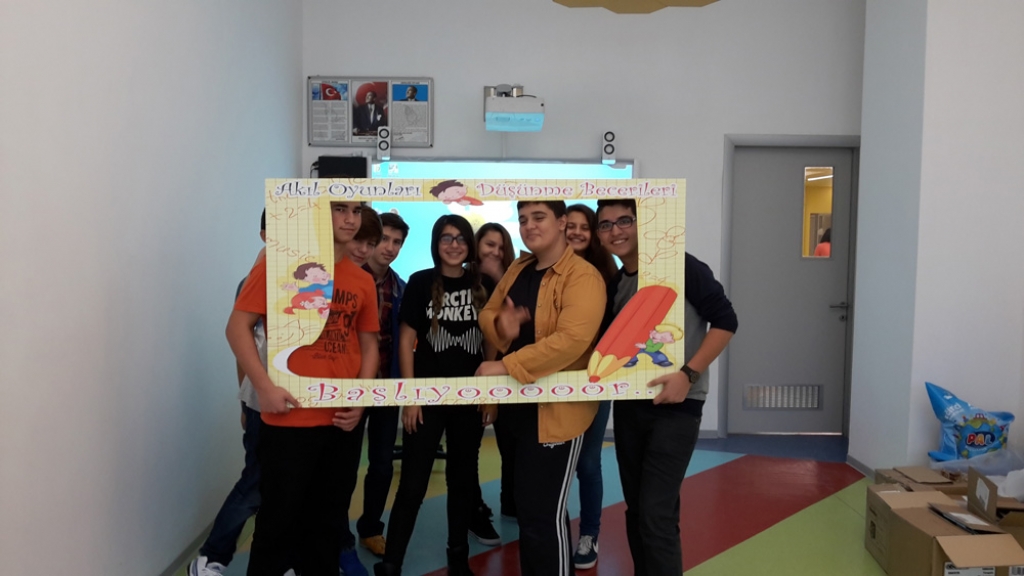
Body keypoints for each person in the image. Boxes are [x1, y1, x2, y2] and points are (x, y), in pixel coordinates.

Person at [228, 200, 379, 576]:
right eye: (340, 209)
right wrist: (262, 387)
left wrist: (360, 400)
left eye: (356, 210)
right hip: (289, 419)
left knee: (327, 526)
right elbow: (237, 328)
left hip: (341, 422)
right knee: (276, 525)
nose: (350, 219)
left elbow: (368, 344)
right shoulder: (279, 265)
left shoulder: (362, 279)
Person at [596, 199, 737, 576]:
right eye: (606, 225)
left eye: (624, 220)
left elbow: (726, 322)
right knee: (638, 510)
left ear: (642, 223)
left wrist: (688, 374)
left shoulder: (682, 267)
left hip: (678, 406)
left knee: (656, 514)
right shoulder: (617, 284)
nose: (616, 230)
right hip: (631, 406)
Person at [477, 201, 606, 576]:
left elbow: (572, 341)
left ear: (562, 222)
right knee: (528, 513)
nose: (528, 226)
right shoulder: (518, 268)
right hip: (515, 409)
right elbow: (489, 313)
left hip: (555, 416)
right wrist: (502, 328)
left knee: (543, 517)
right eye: (522, 219)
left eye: (538, 217)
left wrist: (505, 364)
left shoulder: (583, 277)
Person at [374, 215, 496, 576]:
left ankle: (458, 559)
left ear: (469, 244)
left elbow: (491, 341)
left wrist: (489, 394)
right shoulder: (420, 282)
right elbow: (406, 341)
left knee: (462, 482)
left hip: (469, 400)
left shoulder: (483, 284)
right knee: (412, 484)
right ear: (435, 243)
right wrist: (411, 398)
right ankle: (392, 561)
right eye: (446, 237)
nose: (454, 245)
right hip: (426, 401)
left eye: (461, 238)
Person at [188, 211, 267, 576]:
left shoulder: (311, 279)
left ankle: (277, 560)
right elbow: (243, 346)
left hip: (296, 403)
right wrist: (247, 399)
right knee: (255, 483)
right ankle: (210, 557)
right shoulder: (254, 281)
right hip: (263, 402)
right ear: (264, 233)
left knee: (281, 487)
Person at [354, 212, 409, 558]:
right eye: (384, 240)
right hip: (350, 386)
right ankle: (332, 534)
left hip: (387, 387)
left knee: (382, 464)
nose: (389, 248)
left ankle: (371, 528)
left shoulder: (400, 288)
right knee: (343, 464)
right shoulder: (346, 279)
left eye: (397, 242)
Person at [564, 203, 615, 569]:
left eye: (585, 226)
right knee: (555, 463)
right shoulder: (549, 271)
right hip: (555, 381)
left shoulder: (608, 275)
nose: (578, 232)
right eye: (571, 226)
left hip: (596, 380)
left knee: (588, 462)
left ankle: (589, 533)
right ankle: (555, 525)